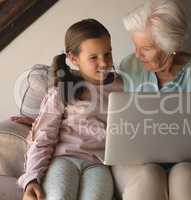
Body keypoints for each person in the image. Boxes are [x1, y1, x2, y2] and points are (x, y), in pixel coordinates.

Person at [112, 0, 191, 200]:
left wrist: (186, 128)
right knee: (149, 176)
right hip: (137, 162)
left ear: (171, 47)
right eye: (135, 46)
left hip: (188, 162)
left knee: (185, 176)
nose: (137, 55)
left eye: (146, 48)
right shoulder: (129, 66)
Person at [18, 18, 116, 200]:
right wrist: (31, 179)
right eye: (93, 57)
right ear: (73, 58)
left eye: (108, 54)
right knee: (58, 196)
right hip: (64, 159)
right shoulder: (63, 88)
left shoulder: (123, 86)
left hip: (98, 164)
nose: (104, 63)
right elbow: (43, 137)